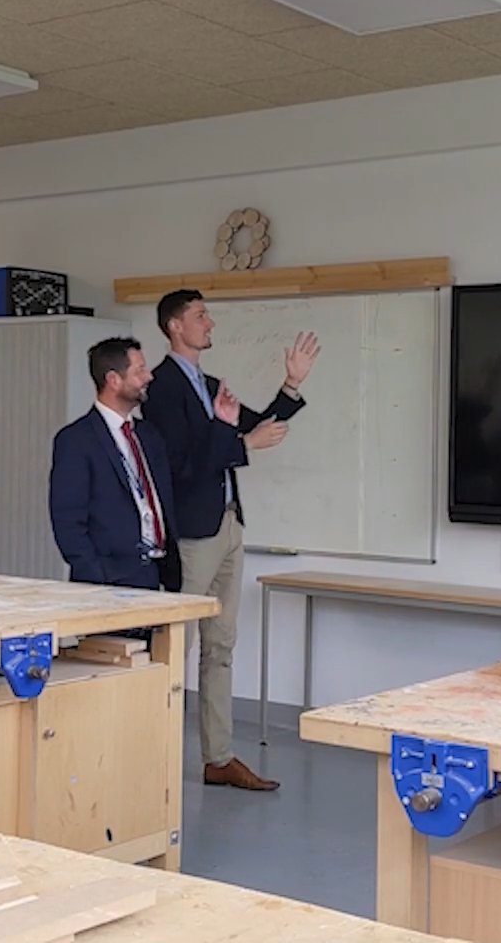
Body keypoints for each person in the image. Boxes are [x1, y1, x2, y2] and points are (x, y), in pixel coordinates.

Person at [142, 288, 319, 792]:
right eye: (200, 316)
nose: (209, 323)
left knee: (220, 645)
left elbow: (259, 426)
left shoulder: (211, 384)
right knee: (178, 646)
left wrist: (292, 383)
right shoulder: (161, 388)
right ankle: (151, 753)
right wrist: (240, 443)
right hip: (193, 533)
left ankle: (217, 757)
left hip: (227, 524)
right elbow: (179, 463)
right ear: (175, 325)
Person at [49, 337, 176, 592]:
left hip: (155, 575)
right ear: (113, 380)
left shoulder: (148, 435)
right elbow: (67, 520)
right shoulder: (77, 440)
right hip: (109, 580)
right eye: (139, 370)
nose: (148, 376)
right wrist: (95, 576)